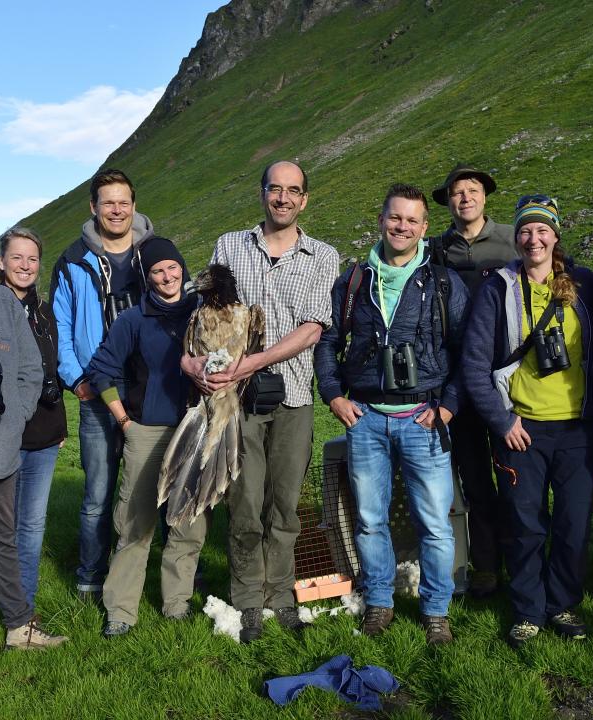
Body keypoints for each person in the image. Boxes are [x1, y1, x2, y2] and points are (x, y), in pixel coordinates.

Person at [181, 160, 339, 642]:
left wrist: (255, 359)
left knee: (285, 504)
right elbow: (209, 309)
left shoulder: (322, 256)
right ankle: (249, 597)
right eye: (276, 189)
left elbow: (313, 327)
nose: (284, 198)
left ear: (304, 199)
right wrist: (196, 364)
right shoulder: (230, 246)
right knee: (246, 502)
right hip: (237, 400)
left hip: (292, 395)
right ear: (263, 193)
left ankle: (282, 594)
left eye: (294, 191)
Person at [314, 183, 470, 644]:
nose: (402, 227)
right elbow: (327, 341)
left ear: (424, 227)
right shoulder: (354, 281)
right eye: (394, 217)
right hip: (365, 419)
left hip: (424, 417)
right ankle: (379, 602)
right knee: (368, 519)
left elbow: (467, 351)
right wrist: (333, 395)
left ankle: (436, 609)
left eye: (412, 220)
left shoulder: (443, 283)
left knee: (435, 523)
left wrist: (448, 407)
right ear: (381, 219)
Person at [463, 195, 593, 648]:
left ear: (556, 235)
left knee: (574, 523)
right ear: (516, 237)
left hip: (579, 428)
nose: (533, 238)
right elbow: (475, 364)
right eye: (525, 230)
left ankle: (561, 602)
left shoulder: (584, 284)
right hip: (521, 430)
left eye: (542, 229)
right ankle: (527, 610)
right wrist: (503, 423)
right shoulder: (498, 288)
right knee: (524, 523)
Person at [88, 236, 206, 638]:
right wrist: (124, 421)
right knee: (135, 523)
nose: (167, 276)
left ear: (182, 268)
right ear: (147, 276)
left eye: (173, 267)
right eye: (157, 270)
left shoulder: (203, 312)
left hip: (194, 429)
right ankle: (120, 610)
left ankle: (176, 604)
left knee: (188, 522)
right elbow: (101, 370)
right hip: (147, 431)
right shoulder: (133, 320)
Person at [0, 207, 66, 649]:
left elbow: (28, 366)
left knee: (0, 536)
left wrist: (15, 417)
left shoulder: (1, 302)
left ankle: (19, 627)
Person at [50, 168, 154, 602]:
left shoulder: (153, 253)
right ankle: (90, 574)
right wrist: (76, 380)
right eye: (107, 202)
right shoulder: (73, 259)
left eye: (123, 201)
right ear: (93, 207)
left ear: (134, 205)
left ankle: (154, 572)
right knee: (97, 492)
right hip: (96, 393)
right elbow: (61, 324)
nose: (116, 209)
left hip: (148, 393)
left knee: (154, 486)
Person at [429, 164, 517, 597]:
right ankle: (485, 565)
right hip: (456, 382)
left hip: (506, 379)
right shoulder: (435, 250)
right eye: (456, 192)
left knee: (516, 474)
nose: (464, 197)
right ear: (447, 201)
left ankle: (520, 560)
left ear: (485, 196)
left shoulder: (511, 241)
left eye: (472, 190)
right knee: (475, 476)